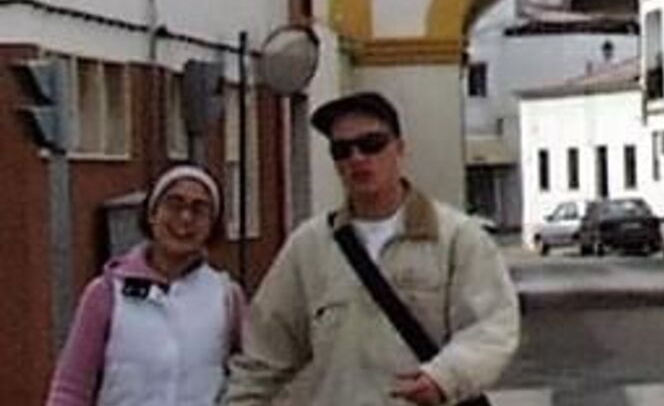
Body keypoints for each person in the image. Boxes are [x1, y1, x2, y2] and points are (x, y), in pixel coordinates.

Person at [222, 91, 519, 405]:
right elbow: (266, 350)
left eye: (372, 144)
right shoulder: (309, 246)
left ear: (399, 149)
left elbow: (492, 327)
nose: (357, 158)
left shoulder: (456, 237)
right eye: (342, 150)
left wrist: (444, 377)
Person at [46, 163, 244, 406]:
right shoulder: (106, 293)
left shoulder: (227, 298)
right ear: (152, 214)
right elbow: (71, 387)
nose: (185, 218)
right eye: (174, 205)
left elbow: (253, 380)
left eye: (199, 209)